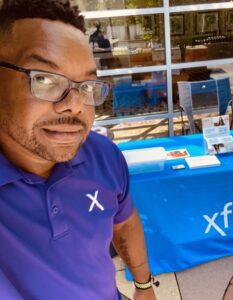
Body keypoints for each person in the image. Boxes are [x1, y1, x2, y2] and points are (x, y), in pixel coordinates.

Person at [0, 1, 156, 299]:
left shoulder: (104, 156)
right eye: (43, 78)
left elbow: (125, 225)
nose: (75, 104)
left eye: (87, 85)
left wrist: (144, 285)